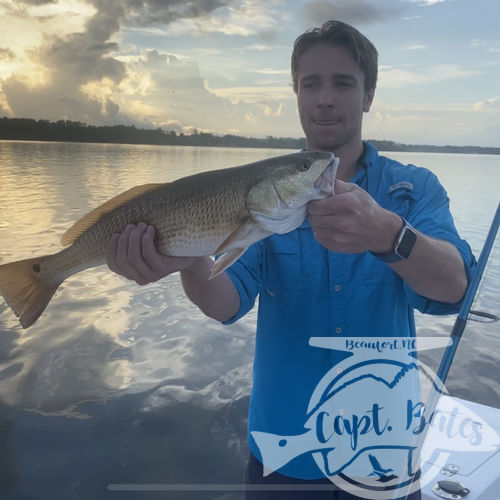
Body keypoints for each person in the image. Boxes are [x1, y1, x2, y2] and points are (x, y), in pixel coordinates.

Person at [106, 20, 476, 500]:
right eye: (311, 84)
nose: (325, 98)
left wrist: (388, 233)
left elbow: (454, 288)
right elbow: (223, 304)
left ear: (368, 95)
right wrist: (190, 259)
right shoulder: (264, 194)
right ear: (296, 95)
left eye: (343, 83)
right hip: (285, 453)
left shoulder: (413, 189)